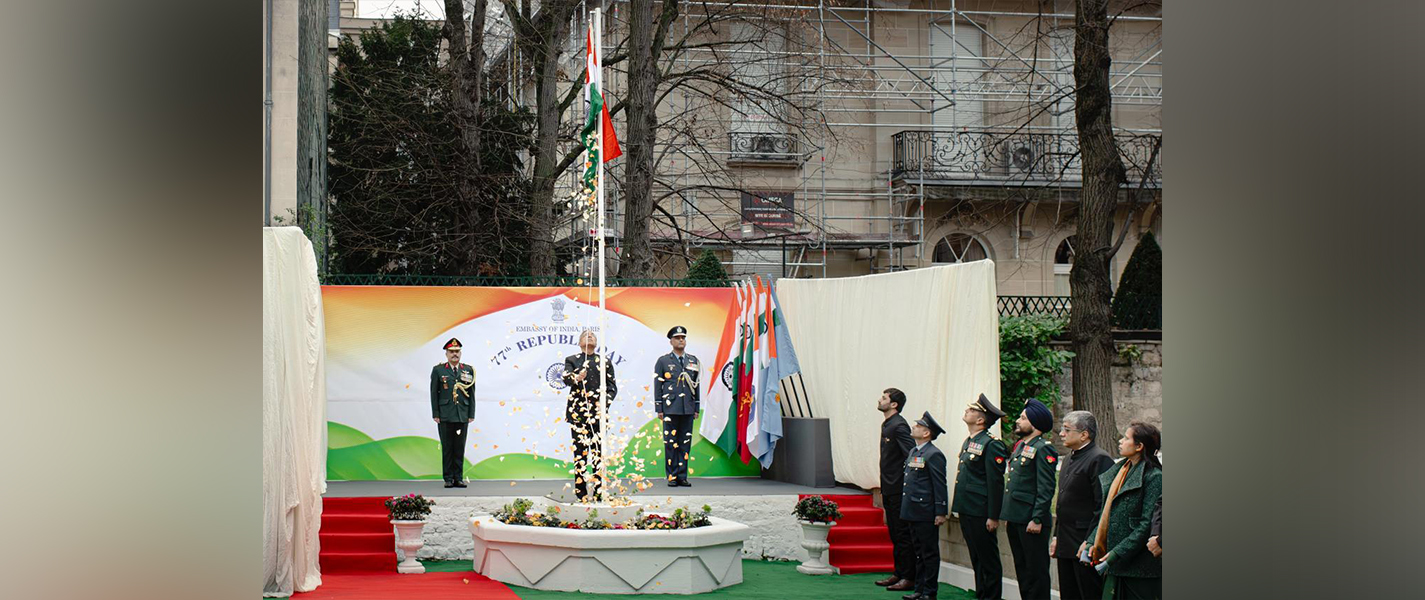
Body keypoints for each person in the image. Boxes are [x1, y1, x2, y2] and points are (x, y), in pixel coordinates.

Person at [1078, 422, 1163, 599]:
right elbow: (1107, 513)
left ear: (1139, 446)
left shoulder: (1154, 476)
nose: (1120, 441)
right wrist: (1091, 540)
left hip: (1139, 568)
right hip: (1117, 564)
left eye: (1126, 438)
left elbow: (1147, 524)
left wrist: (1117, 553)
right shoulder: (1121, 470)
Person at [1051, 410, 1118, 600]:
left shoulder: (1099, 459)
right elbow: (1063, 502)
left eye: (1066, 430)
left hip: (1084, 541)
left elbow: (1103, 505)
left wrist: (1090, 541)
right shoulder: (1069, 458)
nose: (1061, 434)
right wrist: (1056, 536)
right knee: (1068, 592)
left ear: (1084, 434)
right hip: (1065, 540)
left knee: (1088, 593)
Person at [950, 393, 1008, 600]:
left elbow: (995, 482)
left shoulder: (992, 444)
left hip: (981, 510)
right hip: (968, 507)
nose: (967, 411)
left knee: (988, 560)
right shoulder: (970, 440)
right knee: (976, 557)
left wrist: (993, 515)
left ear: (981, 420)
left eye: (973, 410)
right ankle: (982, 594)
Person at [1000, 398, 1058, 600]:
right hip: (1016, 518)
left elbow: (1046, 487)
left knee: (1036, 572)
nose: (1017, 420)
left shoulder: (1043, 448)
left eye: (1023, 418)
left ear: (1035, 424)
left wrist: (1038, 518)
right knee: (1022, 570)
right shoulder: (1020, 446)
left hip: (1031, 520)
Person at [561, 330, 617, 501]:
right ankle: (581, 493)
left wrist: (603, 402)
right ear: (579, 342)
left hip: (598, 414)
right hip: (578, 414)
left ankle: (600, 491)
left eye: (592, 335)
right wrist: (577, 377)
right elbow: (566, 379)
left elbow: (612, 387)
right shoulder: (571, 360)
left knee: (599, 454)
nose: (589, 336)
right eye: (586, 335)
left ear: (597, 342)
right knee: (580, 454)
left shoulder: (605, 361)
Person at [899, 412, 948, 600]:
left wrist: (940, 511)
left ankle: (929, 591)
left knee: (929, 553)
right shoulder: (914, 451)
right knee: (918, 553)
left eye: (918, 426)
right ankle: (919, 590)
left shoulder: (934, 454)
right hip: (912, 510)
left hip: (926, 511)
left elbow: (939, 484)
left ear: (927, 433)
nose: (914, 427)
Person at [874, 388, 917, 592]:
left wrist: (903, 483)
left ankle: (908, 576)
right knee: (894, 533)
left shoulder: (899, 425)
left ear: (894, 405)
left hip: (899, 488)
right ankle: (899, 572)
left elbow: (911, 455)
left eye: (884, 398)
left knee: (902, 533)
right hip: (889, 487)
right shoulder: (888, 424)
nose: (880, 400)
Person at [652, 326, 700, 487]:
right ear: (671, 341)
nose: (681, 340)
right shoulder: (663, 361)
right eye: (677, 337)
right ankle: (672, 476)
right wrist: (659, 407)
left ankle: (682, 476)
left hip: (687, 407)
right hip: (670, 407)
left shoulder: (693, 360)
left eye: (683, 337)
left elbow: (696, 384)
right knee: (671, 442)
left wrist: (696, 406)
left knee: (685, 442)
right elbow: (658, 385)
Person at [430, 338, 475, 488]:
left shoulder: (467, 370)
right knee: (448, 447)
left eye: (457, 351)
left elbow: (471, 393)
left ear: (460, 353)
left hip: (462, 414)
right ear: (446, 354)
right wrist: (436, 413)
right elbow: (434, 393)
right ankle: (448, 478)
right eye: (451, 352)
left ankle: (458, 478)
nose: (454, 354)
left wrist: (471, 413)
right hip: (445, 414)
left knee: (459, 447)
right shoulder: (439, 370)